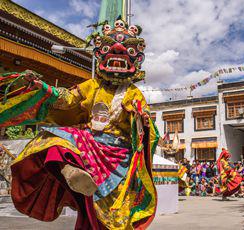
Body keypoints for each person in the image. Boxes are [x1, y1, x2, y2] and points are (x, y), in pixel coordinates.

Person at [0, 18, 159, 229]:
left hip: (118, 156)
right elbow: (68, 99)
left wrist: (142, 122)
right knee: (51, 140)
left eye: (124, 52)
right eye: (112, 50)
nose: (118, 54)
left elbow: (148, 131)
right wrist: (45, 88)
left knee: (106, 213)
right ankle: (70, 170)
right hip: (90, 144)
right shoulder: (92, 85)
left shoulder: (134, 94)